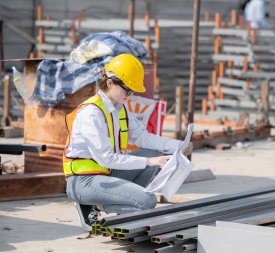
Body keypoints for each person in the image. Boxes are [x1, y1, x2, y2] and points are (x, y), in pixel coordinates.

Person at [62, 54, 193, 231]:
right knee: (147, 201)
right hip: (84, 181)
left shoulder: (119, 108)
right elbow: (106, 158)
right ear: (110, 83)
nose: (130, 95)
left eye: (133, 91)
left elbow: (142, 137)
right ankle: (91, 204)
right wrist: (149, 162)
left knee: (153, 154)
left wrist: (177, 146)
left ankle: (122, 199)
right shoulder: (91, 113)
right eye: (127, 90)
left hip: (106, 173)